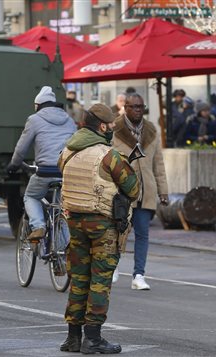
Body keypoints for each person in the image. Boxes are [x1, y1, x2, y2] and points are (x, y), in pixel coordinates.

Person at [57, 103, 139, 354]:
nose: (113, 128)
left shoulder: (68, 151)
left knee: (79, 278)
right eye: (112, 125)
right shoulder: (108, 155)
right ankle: (92, 338)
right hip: (103, 224)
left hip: (74, 222)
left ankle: (72, 337)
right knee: (100, 280)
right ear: (102, 127)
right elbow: (132, 189)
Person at [113, 93, 169, 291]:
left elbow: (158, 163)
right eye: (134, 107)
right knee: (119, 231)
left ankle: (139, 275)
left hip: (146, 191)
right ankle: (114, 266)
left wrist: (164, 191)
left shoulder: (152, 131)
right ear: (126, 108)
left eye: (141, 107)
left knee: (143, 234)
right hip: (122, 191)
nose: (138, 110)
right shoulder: (114, 129)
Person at [6, 86, 76, 241]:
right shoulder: (69, 120)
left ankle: (38, 226)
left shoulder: (34, 120)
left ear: (38, 105)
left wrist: (14, 164)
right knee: (61, 208)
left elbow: (21, 148)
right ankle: (63, 250)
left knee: (31, 196)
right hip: (65, 172)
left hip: (45, 171)